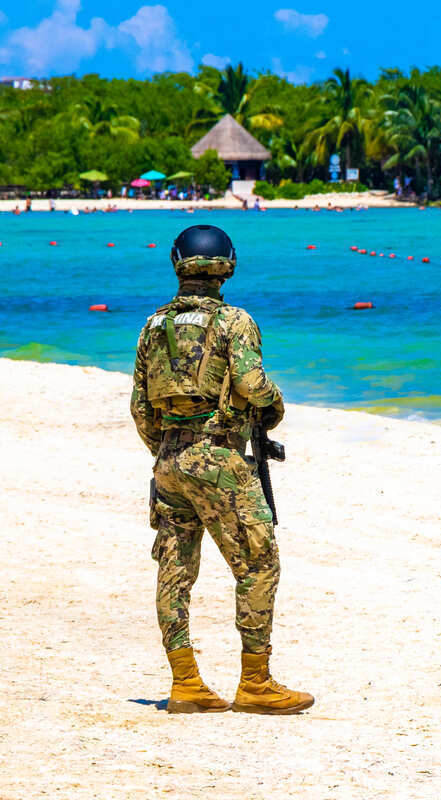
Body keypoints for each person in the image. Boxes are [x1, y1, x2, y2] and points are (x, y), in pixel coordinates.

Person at [130, 224, 314, 715]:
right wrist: (274, 408)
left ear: (177, 263)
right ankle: (255, 683)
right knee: (258, 562)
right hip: (219, 457)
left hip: (169, 461)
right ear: (228, 266)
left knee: (174, 572)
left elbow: (140, 409)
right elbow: (253, 384)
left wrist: (169, 450)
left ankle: (186, 683)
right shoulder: (235, 321)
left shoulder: (152, 327)